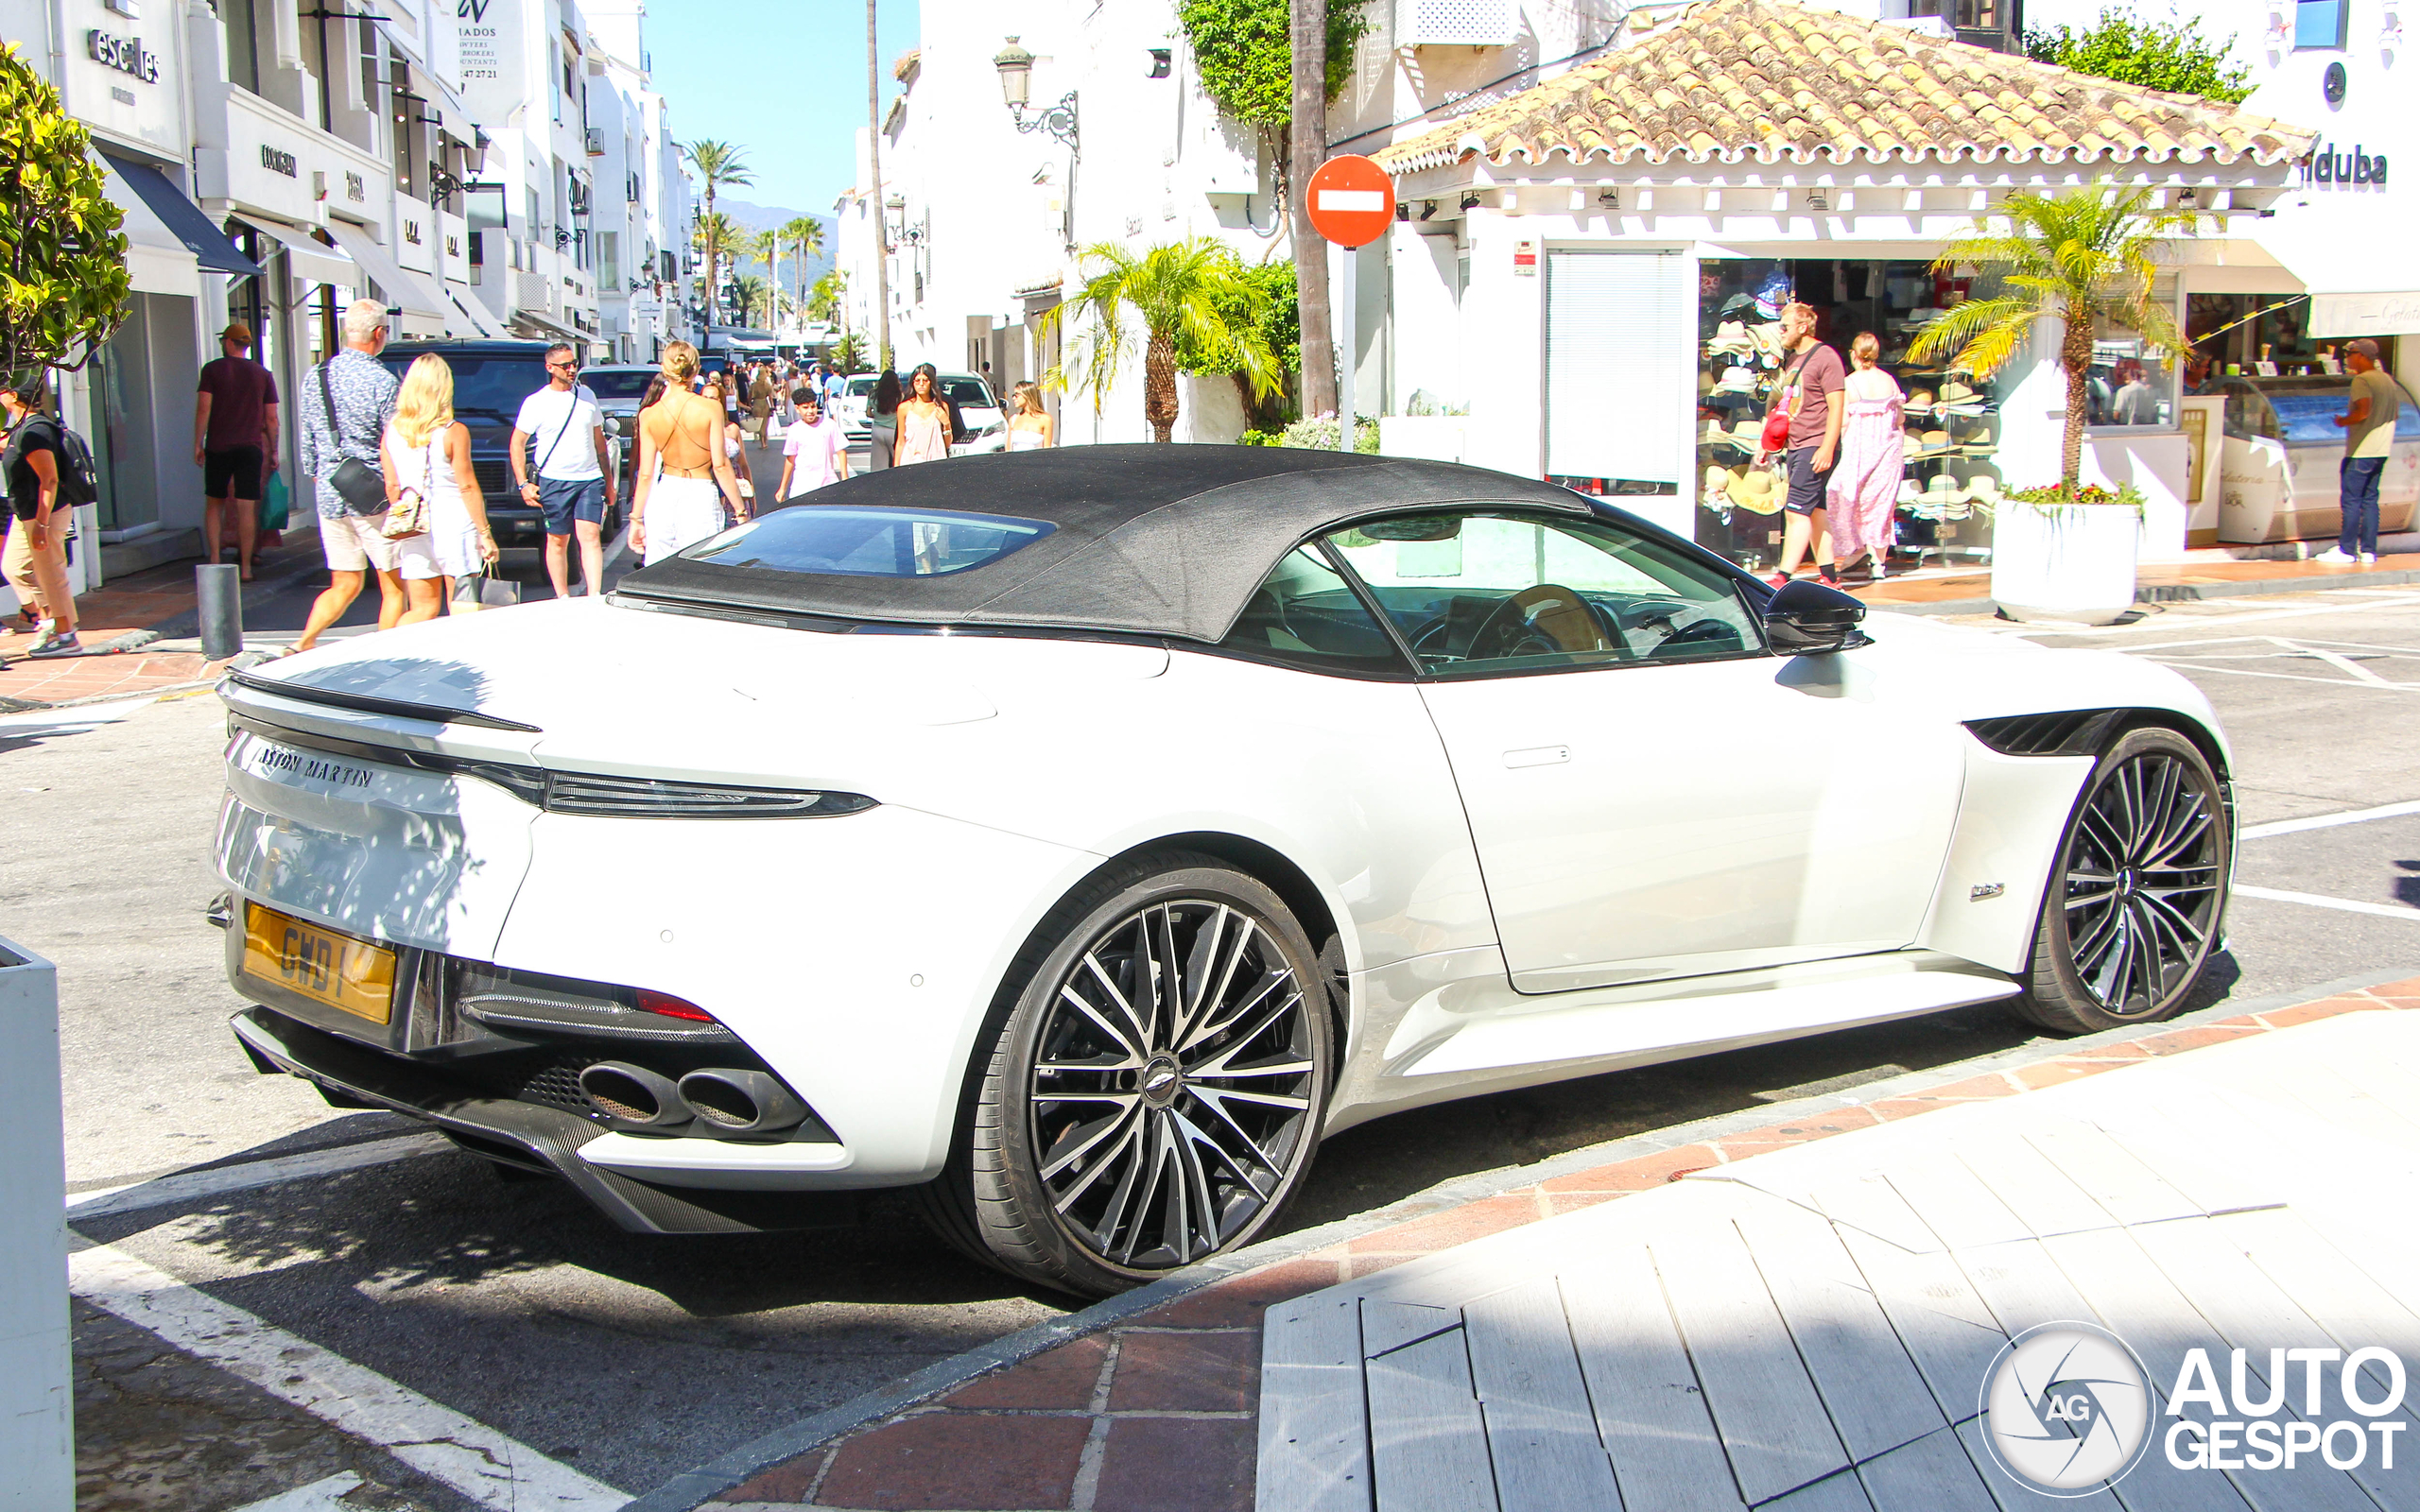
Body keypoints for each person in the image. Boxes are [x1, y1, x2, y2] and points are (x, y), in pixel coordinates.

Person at [294, 299, 405, 654]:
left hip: (331, 489)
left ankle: (303, 642)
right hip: (372, 491)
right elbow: (392, 441)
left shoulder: (317, 375)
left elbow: (308, 436)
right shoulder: (382, 380)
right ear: (378, 333)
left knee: (344, 582)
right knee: (394, 586)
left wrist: (317, 474)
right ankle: (385, 655)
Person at [384, 354, 498, 623]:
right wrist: (485, 533)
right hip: (454, 521)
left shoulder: (393, 430)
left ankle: (397, 647)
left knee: (422, 608)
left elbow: (392, 484)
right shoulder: (453, 431)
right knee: (463, 608)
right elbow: (467, 486)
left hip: (415, 522)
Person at [510, 341, 615, 600]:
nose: (572, 369)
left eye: (574, 364)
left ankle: (594, 594)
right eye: (566, 365)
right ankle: (562, 596)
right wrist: (523, 483)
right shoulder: (536, 402)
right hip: (554, 480)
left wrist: (609, 483)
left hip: (589, 478)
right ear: (550, 367)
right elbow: (517, 443)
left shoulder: (587, 396)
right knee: (558, 539)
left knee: (590, 535)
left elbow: (599, 442)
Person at [630, 341, 744, 565]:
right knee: (702, 568)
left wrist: (636, 518)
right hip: (700, 493)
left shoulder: (649, 414)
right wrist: (740, 510)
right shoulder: (710, 408)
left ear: (664, 369)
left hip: (665, 493)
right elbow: (720, 465)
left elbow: (645, 474)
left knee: (660, 570)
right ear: (696, 369)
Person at [1765, 301, 1846, 588]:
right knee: (1815, 512)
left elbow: (1837, 406)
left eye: (1785, 326)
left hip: (1815, 444)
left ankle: (1782, 576)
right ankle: (1829, 576)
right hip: (1798, 444)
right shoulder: (1794, 360)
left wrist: (1827, 447)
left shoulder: (1826, 357)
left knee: (1795, 512)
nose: (1781, 331)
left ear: (1802, 327)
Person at [0, 373, 81, 657]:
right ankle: (49, 621)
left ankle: (66, 635)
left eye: (3, 390)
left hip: (44, 513)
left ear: (14, 396)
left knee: (51, 574)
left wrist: (42, 524)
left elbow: (50, 479)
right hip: (25, 512)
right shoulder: (21, 428)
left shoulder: (36, 431)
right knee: (15, 568)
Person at [194, 320, 279, 582]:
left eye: (224, 340)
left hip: (219, 445)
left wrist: (197, 442)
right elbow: (272, 418)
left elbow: (204, 408)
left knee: (214, 503)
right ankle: (246, 568)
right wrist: (274, 450)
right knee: (246, 507)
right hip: (250, 447)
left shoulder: (212, 370)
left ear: (229, 342)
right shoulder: (263, 374)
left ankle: (215, 561)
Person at [1824, 334, 1904, 581]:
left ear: (1853, 354)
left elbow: (1843, 422)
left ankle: (1855, 548)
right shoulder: (1889, 381)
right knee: (1881, 506)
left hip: (1858, 451)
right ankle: (1878, 563)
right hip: (1889, 449)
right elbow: (1900, 418)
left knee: (1842, 496)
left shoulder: (1850, 383)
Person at [2322, 338, 2398, 564]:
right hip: (2381, 449)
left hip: (2361, 450)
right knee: (2370, 500)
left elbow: (2363, 412)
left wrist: (2343, 421)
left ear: (2362, 356)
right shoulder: (2388, 379)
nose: (2347, 358)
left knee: (2352, 500)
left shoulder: (2362, 380)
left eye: (2350, 353)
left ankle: (2347, 550)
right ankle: (2368, 551)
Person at [776, 387, 849, 499]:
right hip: (802, 486)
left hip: (827, 483)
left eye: (813, 406)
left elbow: (841, 451)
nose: (810, 411)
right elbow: (790, 459)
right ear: (797, 409)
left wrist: (845, 479)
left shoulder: (829, 425)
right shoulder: (794, 430)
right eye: (805, 407)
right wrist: (782, 488)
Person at [895, 364, 952, 465]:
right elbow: (900, 442)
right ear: (913, 383)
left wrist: (946, 424)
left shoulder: (941, 407)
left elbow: (947, 444)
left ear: (931, 382)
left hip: (935, 462)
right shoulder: (904, 408)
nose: (921, 384)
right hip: (910, 462)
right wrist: (896, 467)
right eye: (917, 380)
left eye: (925, 380)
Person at [865, 369, 902, 471]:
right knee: (897, 460)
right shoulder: (899, 396)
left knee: (878, 465)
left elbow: (868, 413)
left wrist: (877, 416)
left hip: (877, 430)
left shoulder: (873, 394)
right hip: (893, 430)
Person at [1006, 381, 1054, 450]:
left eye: (1017, 395)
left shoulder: (1045, 419)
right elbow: (1008, 449)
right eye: (1013, 395)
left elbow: (1047, 449)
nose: (1014, 398)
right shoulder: (1013, 420)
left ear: (1027, 395)